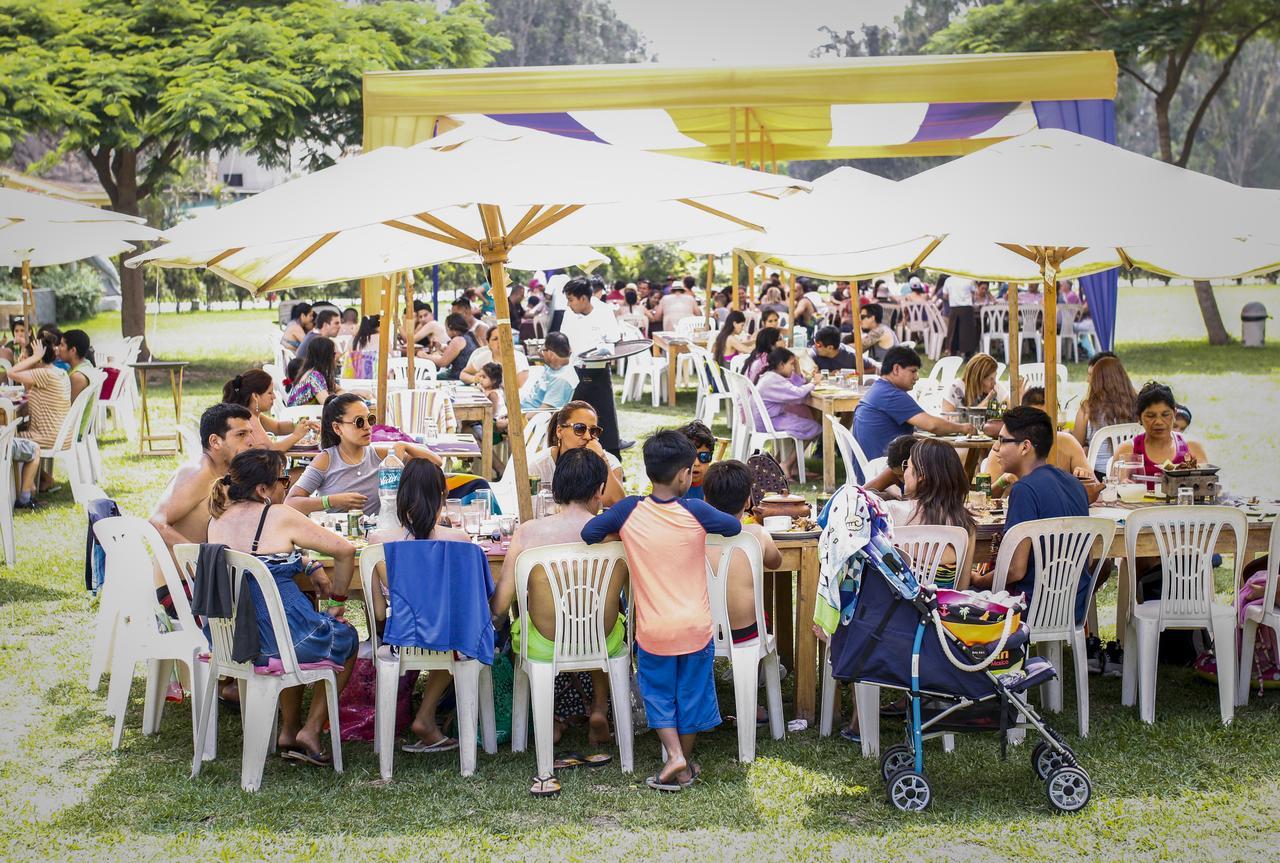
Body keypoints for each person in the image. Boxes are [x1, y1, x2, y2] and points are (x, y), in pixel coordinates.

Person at [581, 431, 742, 792]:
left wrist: (621, 534)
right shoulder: (696, 511)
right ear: (685, 474)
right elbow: (732, 526)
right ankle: (681, 760)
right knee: (691, 695)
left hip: (654, 632)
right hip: (696, 628)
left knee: (658, 695)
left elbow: (590, 531)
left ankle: (674, 757)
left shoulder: (629, 511)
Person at [207, 448, 358, 766]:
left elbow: (256, 558)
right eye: (284, 479)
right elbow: (345, 550)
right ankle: (311, 729)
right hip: (281, 637)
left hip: (236, 641)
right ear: (262, 489)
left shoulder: (217, 519)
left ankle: (288, 729)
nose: (287, 486)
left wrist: (305, 562)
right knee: (345, 636)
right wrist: (337, 603)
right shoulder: (278, 515)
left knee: (292, 636)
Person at [366, 458, 474, 754]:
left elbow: (377, 613)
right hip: (449, 639)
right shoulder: (460, 540)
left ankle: (424, 716)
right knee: (456, 636)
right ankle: (426, 715)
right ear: (442, 496)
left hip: (401, 639)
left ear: (400, 497)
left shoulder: (378, 542)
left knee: (440, 635)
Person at [969, 407, 1093, 623]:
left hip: (1031, 607)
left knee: (963, 593)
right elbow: (1088, 557)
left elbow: (1015, 570)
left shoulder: (1024, 490)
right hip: (1073, 605)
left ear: (1025, 446)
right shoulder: (1075, 484)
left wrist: (978, 582)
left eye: (1002, 440)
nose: (996, 448)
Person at [286, 393, 443, 517]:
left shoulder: (381, 455)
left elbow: (436, 463)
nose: (368, 427)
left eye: (370, 419)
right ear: (337, 428)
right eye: (359, 422)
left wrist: (405, 445)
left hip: (378, 535)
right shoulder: (326, 460)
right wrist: (332, 501)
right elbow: (290, 503)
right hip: (340, 539)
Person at [701, 459, 783, 657]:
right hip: (746, 633)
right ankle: (758, 672)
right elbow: (776, 562)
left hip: (700, 632)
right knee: (763, 617)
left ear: (705, 499)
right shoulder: (757, 534)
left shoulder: (693, 535)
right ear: (747, 501)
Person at [149, 403, 255, 548]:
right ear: (215, 441)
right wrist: (200, 557)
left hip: (217, 566)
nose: (251, 442)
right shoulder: (197, 472)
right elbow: (156, 523)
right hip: (191, 569)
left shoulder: (228, 471)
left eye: (250, 433)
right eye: (241, 435)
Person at [880, 439, 976, 589]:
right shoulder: (965, 525)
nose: (904, 473)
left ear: (921, 475)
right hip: (941, 610)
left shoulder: (890, 512)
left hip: (894, 608)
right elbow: (962, 588)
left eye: (907, 466)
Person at [852, 346, 975, 460]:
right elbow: (932, 425)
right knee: (947, 461)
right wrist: (963, 427)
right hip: (886, 471)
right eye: (913, 371)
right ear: (896, 369)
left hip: (870, 469)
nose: (917, 377)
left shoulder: (878, 389)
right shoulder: (891, 395)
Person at [8, 332, 70, 508]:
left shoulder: (44, 373)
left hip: (47, 435)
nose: (22, 360)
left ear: (39, 359)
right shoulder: (56, 372)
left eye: (25, 358)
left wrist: (34, 357)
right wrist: (32, 359)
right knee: (17, 434)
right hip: (57, 433)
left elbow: (11, 372)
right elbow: (28, 389)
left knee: (10, 436)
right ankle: (35, 483)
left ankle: (23, 491)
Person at [527, 401, 625, 507]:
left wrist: (602, 459)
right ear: (559, 431)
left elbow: (617, 504)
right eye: (579, 428)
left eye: (593, 431)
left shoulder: (609, 462)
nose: (587, 436)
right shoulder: (539, 466)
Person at [1112, 382, 1208, 484]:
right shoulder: (1128, 450)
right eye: (1150, 416)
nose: (1159, 421)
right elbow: (1113, 488)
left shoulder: (1192, 448)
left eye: (1165, 415)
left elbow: (1206, 485)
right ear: (1139, 418)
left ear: (1174, 414)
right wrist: (1122, 484)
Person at [755, 348, 820, 478]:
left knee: (807, 423)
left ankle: (789, 464)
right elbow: (797, 394)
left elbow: (795, 387)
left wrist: (796, 366)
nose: (792, 368)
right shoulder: (773, 380)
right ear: (781, 364)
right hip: (769, 421)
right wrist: (814, 383)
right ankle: (787, 464)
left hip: (769, 418)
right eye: (791, 364)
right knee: (815, 427)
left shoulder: (771, 376)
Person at [1070, 355, 1137, 477]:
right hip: (1131, 472)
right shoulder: (1137, 405)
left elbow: (1075, 445)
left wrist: (1085, 445)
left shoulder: (1087, 408)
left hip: (1097, 475)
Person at [222, 369, 317, 451]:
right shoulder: (248, 418)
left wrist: (302, 425)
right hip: (252, 471)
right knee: (305, 471)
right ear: (255, 396)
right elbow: (271, 450)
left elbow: (277, 427)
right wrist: (296, 436)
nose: (274, 397)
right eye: (270, 393)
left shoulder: (251, 413)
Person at [941, 353, 1008, 432]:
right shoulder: (956, 389)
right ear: (978, 378)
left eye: (995, 377)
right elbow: (947, 423)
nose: (994, 383)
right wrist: (986, 402)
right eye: (991, 379)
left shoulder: (996, 388)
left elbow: (1010, 414)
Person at [519, 333, 579, 412]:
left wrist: (513, 420)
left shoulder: (561, 380)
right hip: (522, 406)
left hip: (526, 416)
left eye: (543, 350)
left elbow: (542, 413)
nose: (540, 352)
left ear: (550, 354)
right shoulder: (555, 365)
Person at [459, 325, 530, 387]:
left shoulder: (519, 358)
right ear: (488, 343)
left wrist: (491, 382)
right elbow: (463, 374)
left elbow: (519, 385)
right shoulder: (484, 356)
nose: (500, 342)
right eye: (495, 339)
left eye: (503, 337)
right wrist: (474, 379)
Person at [422, 313, 479, 380]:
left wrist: (424, 356)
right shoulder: (469, 336)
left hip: (459, 377)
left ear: (450, 327)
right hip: (468, 375)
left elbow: (443, 363)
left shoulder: (458, 340)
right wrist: (440, 347)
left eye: (446, 329)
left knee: (426, 378)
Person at [285, 336, 338, 407]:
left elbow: (338, 389)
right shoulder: (314, 376)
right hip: (299, 416)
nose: (336, 358)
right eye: (334, 354)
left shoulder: (308, 372)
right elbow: (328, 406)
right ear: (326, 357)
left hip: (299, 415)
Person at [863, 434, 917, 498]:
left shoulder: (929, 472)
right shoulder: (893, 473)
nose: (902, 480)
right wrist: (886, 497)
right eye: (898, 476)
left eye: (903, 475)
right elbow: (862, 493)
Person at [677, 420, 716, 500]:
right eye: (689, 456)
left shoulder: (717, 486)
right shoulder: (666, 487)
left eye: (704, 456)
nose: (696, 463)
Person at [940, 275, 977, 358]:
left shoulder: (948, 280)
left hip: (954, 308)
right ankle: (968, 353)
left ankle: (953, 351)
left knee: (953, 330)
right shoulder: (969, 279)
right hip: (967, 308)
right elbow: (973, 294)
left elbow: (945, 296)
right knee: (967, 332)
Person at [57, 328, 96, 403]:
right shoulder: (86, 363)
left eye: (62, 345)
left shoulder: (77, 377)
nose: (58, 348)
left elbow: (68, 407)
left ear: (73, 350)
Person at [474, 362, 509, 437]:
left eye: (484, 377)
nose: (480, 379)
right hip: (492, 421)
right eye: (480, 376)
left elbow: (491, 414)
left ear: (494, 380)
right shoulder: (487, 391)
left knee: (472, 427)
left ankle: (484, 445)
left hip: (496, 423)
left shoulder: (493, 394)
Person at [347, 314, 380, 379]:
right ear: (378, 327)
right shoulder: (382, 339)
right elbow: (391, 356)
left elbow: (348, 358)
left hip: (357, 376)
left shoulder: (353, 340)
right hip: (377, 376)